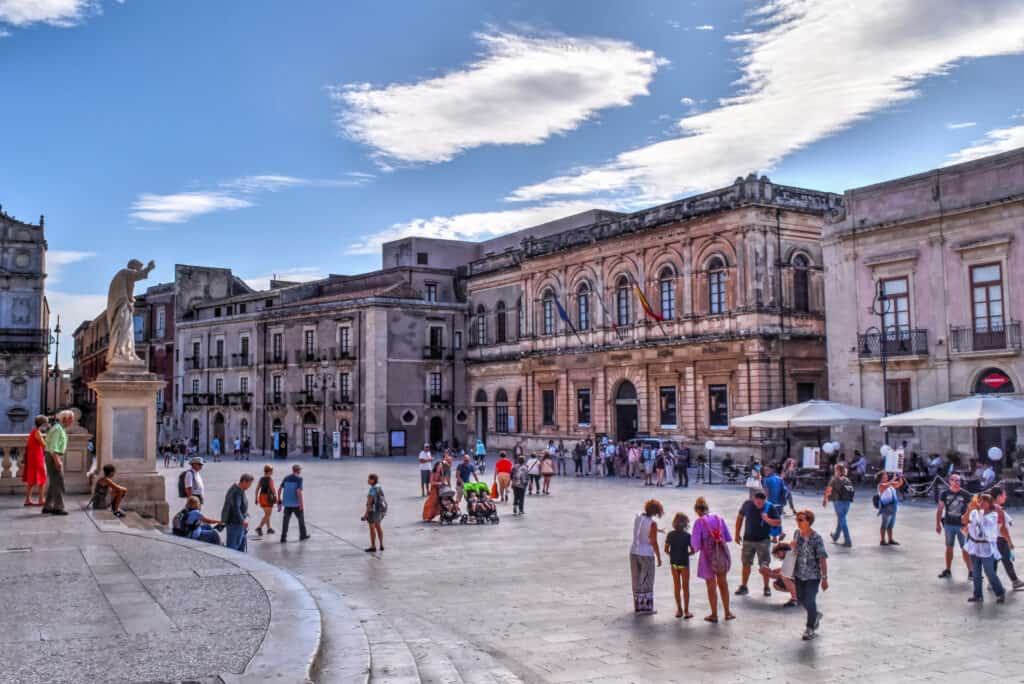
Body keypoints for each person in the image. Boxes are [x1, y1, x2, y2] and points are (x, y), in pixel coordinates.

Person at [691, 496, 735, 622]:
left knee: (711, 585)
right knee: (723, 583)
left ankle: (714, 614)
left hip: (707, 557)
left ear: (697, 510)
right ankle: (727, 612)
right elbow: (727, 537)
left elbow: (695, 545)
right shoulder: (718, 518)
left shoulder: (699, 522)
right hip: (721, 554)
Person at [734, 491, 781, 597]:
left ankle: (766, 587)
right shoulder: (747, 504)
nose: (759, 504)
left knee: (764, 565)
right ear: (753, 499)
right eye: (757, 502)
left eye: (762, 502)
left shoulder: (770, 507)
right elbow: (740, 518)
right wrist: (736, 533)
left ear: (765, 500)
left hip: (763, 540)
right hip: (748, 540)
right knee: (746, 564)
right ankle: (744, 586)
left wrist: (767, 519)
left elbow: (778, 522)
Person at [791, 510, 829, 640]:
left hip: (813, 575)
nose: (798, 522)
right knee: (801, 599)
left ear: (809, 521)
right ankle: (815, 614)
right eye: (797, 520)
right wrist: (793, 547)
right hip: (799, 574)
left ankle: (810, 628)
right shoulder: (797, 534)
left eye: (801, 520)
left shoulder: (816, 538)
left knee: (810, 600)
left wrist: (824, 578)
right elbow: (794, 552)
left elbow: (822, 558)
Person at [965, 493, 1006, 604]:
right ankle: (977, 595)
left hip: (987, 547)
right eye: (980, 500)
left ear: (990, 503)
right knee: (976, 573)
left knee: (990, 572)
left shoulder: (993, 515)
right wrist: (970, 509)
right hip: (975, 546)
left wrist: (978, 511)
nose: (982, 503)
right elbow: (966, 522)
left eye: (985, 501)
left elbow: (984, 523)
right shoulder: (974, 512)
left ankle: (1000, 592)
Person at [630, 499, 663, 614]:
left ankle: (637, 605)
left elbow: (642, 526)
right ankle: (646, 607)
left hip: (634, 551)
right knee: (647, 579)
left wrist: (657, 530)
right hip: (646, 554)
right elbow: (653, 542)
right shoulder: (652, 524)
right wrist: (659, 556)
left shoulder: (638, 516)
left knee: (636, 578)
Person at [936, 474, 972, 579]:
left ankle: (971, 571)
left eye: (959, 481)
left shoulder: (965, 494)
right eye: (955, 480)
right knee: (949, 547)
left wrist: (968, 524)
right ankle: (948, 569)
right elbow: (940, 509)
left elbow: (970, 510)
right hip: (949, 524)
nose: (957, 483)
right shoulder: (944, 493)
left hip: (962, 525)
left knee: (965, 549)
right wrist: (938, 523)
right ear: (950, 481)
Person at [990, 486, 1024, 590]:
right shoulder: (999, 510)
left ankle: (992, 581)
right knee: (1007, 561)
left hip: (992, 539)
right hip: (1000, 539)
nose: (1006, 497)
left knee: (994, 561)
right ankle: (1015, 581)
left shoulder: (989, 508)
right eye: (1004, 495)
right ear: (999, 496)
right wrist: (1009, 542)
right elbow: (1003, 529)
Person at [42, 410, 73, 515]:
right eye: (71, 419)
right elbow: (53, 447)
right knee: (58, 482)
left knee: (54, 482)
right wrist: (57, 460)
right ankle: (58, 507)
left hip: (53, 456)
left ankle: (48, 506)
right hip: (53, 456)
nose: (72, 422)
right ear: (65, 419)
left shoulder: (59, 428)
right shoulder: (57, 429)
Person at [664, 512, 694, 619]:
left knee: (677, 587)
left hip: (674, 564)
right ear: (685, 524)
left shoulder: (670, 535)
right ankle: (686, 611)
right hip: (684, 563)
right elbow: (693, 550)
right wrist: (687, 554)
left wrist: (672, 555)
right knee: (685, 587)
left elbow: (666, 550)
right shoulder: (687, 536)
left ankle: (679, 610)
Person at [822, 464, 855, 546]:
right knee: (841, 519)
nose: (834, 471)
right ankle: (835, 536)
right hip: (847, 502)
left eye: (835, 470)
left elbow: (828, 490)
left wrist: (825, 499)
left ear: (838, 471)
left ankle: (848, 540)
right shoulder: (848, 480)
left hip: (838, 501)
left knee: (842, 521)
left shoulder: (834, 479)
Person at [759, 543, 800, 608]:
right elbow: (788, 569)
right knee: (777, 583)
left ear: (782, 551)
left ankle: (794, 599)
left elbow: (783, 575)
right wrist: (771, 571)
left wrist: (767, 573)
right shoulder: (791, 554)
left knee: (784, 578)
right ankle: (799, 596)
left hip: (806, 582)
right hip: (806, 580)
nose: (777, 556)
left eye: (778, 554)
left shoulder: (790, 556)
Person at [277, 464, 310, 542]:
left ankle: (283, 537)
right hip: (296, 504)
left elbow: (279, 489)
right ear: (298, 470)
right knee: (301, 520)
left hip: (287, 504)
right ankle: (303, 535)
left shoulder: (286, 478)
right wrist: (301, 504)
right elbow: (298, 492)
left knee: (285, 521)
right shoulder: (299, 479)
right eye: (300, 470)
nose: (300, 471)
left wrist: (279, 500)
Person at [221, 473, 252, 552]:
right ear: (244, 481)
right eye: (249, 484)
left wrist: (245, 513)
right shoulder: (237, 492)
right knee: (233, 547)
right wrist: (243, 520)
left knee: (239, 545)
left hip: (236, 522)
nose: (249, 487)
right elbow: (236, 508)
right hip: (235, 523)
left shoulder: (237, 489)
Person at [22, 414, 47, 506]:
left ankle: (28, 500)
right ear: (43, 423)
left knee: (32, 480)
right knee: (42, 479)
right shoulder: (37, 433)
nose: (47, 425)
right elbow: (44, 444)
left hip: (33, 457)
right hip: (36, 458)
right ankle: (41, 500)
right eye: (46, 423)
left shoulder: (34, 431)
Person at [761, 466, 788, 542]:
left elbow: (766, 492)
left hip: (771, 503)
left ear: (772, 470)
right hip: (780, 503)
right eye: (764, 470)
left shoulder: (767, 480)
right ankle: (781, 533)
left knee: (772, 519)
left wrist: (764, 502)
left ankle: (775, 537)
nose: (765, 472)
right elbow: (785, 490)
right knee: (777, 519)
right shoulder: (779, 479)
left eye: (767, 470)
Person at [876, 471, 903, 545]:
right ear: (881, 477)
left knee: (891, 525)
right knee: (884, 524)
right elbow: (885, 486)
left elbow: (899, 484)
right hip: (886, 508)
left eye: (886, 475)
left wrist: (900, 476)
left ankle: (890, 539)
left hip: (893, 507)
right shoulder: (881, 485)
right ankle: (882, 540)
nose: (887, 476)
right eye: (885, 475)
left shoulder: (890, 484)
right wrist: (893, 479)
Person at [362, 473, 385, 552]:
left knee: (372, 528)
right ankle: (381, 545)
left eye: (369, 479)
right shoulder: (379, 487)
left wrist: (365, 514)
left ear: (373, 480)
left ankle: (373, 546)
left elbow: (369, 503)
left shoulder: (372, 489)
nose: (368, 480)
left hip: (372, 511)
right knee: (378, 526)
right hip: (379, 510)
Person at [254, 465, 276, 537]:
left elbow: (257, 488)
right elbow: (272, 489)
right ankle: (259, 527)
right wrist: (276, 496)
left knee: (267, 514)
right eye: (272, 471)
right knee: (268, 514)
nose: (272, 472)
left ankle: (269, 528)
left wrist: (256, 498)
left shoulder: (261, 479)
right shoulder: (270, 479)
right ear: (269, 471)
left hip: (261, 497)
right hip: (268, 497)